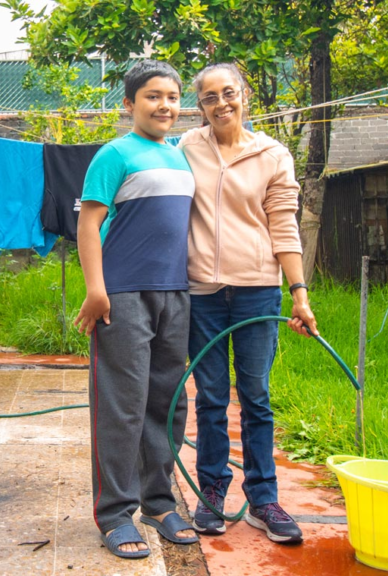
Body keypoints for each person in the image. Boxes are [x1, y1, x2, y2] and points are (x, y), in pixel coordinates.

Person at [178, 62, 318, 545]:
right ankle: (212, 492)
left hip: (258, 289)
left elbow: (284, 224)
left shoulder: (272, 154)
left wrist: (298, 293)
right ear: (199, 106)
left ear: (245, 96)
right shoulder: (186, 149)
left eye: (229, 93)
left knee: (255, 396)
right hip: (202, 293)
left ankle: (263, 498)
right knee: (212, 398)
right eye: (210, 97)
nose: (221, 104)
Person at [73, 60, 198, 559]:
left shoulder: (180, 157)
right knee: (122, 406)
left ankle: (160, 503)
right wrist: (95, 289)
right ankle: (114, 514)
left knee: (168, 403)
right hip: (123, 294)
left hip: (176, 294)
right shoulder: (115, 153)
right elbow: (88, 223)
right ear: (128, 104)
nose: (164, 104)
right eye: (152, 96)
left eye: (171, 96)